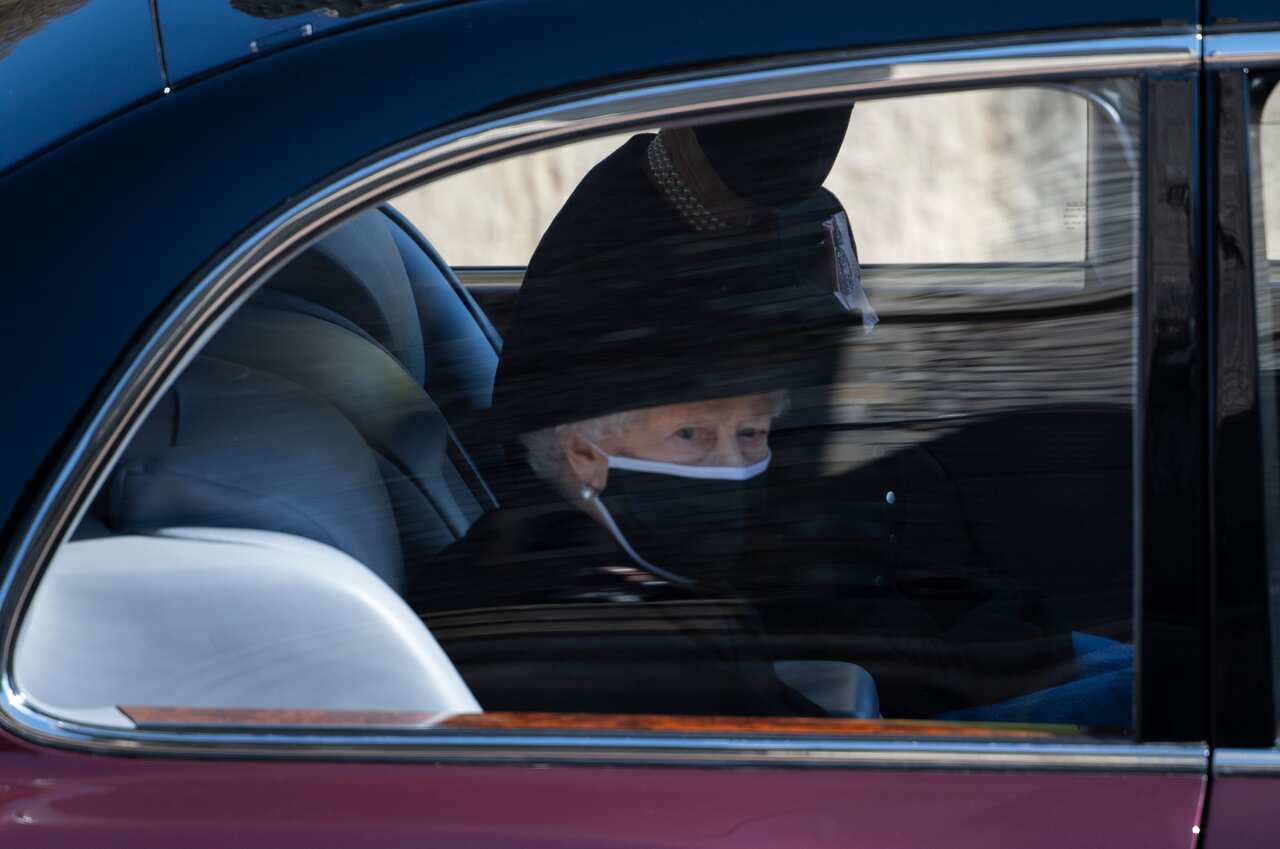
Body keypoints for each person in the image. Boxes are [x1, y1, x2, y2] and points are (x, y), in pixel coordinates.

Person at [406, 107, 876, 716]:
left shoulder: (808, 215)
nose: (731, 465)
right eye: (693, 435)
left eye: (752, 432)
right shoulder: (613, 261)